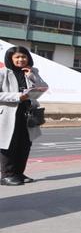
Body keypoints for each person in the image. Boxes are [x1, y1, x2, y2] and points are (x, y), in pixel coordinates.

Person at [0, 46, 48, 186]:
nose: (21, 59)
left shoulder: (32, 71)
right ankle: (6, 175)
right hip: (9, 115)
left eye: (24, 57)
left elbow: (43, 87)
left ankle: (19, 173)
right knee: (8, 144)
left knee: (25, 144)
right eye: (17, 57)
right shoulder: (3, 73)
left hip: (28, 114)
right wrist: (18, 97)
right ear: (11, 59)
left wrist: (32, 76)